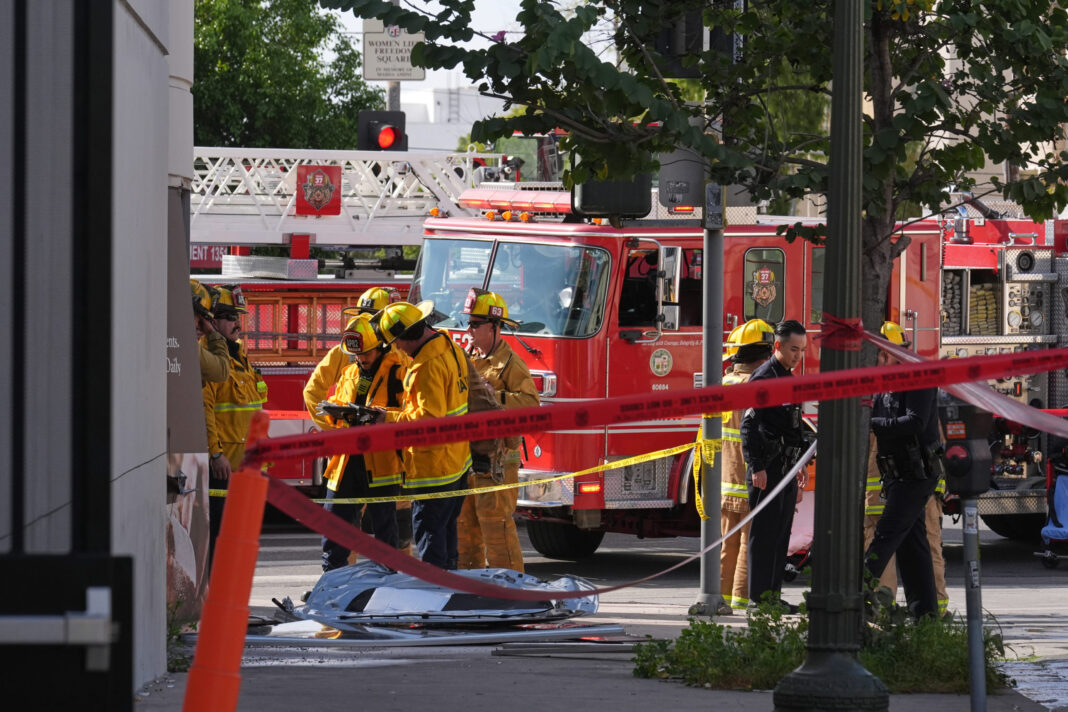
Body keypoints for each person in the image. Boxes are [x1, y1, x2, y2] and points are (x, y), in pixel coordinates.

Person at [372, 301, 472, 569]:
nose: (397, 348)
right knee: (446, 534)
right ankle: (449, 586)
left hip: (434, 469)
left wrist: (386, 418)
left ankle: (434, 588)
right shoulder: (450, 346)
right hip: (457, 463)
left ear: (407, 335)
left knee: (430, 537)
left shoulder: (427, 366)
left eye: (397, 341)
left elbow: (428, 421)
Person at [456, 289, 539, 571]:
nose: (468, 330)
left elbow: (531, 405)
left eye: (475, 324)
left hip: (498, 463)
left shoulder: (511, 364)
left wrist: (495, 396)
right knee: (465, 528)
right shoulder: (469, 359)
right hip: (468, 458)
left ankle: (511, 586)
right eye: (468, 323)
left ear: (494, 326)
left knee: (497, 529)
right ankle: (470, 586)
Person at [864, 320, 942, 620]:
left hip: (916, 474)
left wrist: (871, 424)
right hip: (898, 473)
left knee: (885, 536)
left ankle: (855, 597)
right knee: (913, 544)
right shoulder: (884, 381)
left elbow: (915, 422)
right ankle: (926, 614)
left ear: (891, 353)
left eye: (878, 355)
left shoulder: (918, 378)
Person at [317, 313, 407, 571]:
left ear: (380, 346)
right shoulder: (349, 372)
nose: (361, 359)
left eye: (366, 353)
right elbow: (338, 406)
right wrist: (335, 414)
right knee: (335, 525)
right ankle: (332, 581)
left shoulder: (398, 373)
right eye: (357, 354)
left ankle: (386, 581)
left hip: (381, 464)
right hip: (345, 461)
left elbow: (411, 415)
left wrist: (382, 416)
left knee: (385, 532)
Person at [740, 319, 808, 611]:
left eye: (802, 350)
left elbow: (793, 428)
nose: (798, 355)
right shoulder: (764, 378)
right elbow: (748, 426)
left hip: (787, 468)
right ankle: (758, 599)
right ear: (778, 346)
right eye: (794, 349)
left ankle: (772, 597)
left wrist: (801, 463)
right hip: (767, 470)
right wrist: (756, 466)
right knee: (764, 535)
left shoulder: (789, 379)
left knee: (781, 535)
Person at [202, 285, 267, 564]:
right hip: (225, 467)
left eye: (237, 317)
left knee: (241, 539)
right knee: (221, 539)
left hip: (247, 467)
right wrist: (215, 453)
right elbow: (205, 409)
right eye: (229, 317)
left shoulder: (240, 356)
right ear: (212, 322)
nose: (236, 323)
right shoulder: (210, 359)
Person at [719, 319, 774, 611]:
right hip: (751, 476)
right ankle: (742, 601)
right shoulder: (757, 387)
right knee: (748, 542)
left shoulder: (723, 384)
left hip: (724, 478)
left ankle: (721, 598)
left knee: (726, 543)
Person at [191, 279, 229, 384]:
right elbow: (222, 372)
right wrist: (212, 333)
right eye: (200, 318)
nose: (198, 326)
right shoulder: (184, 342)